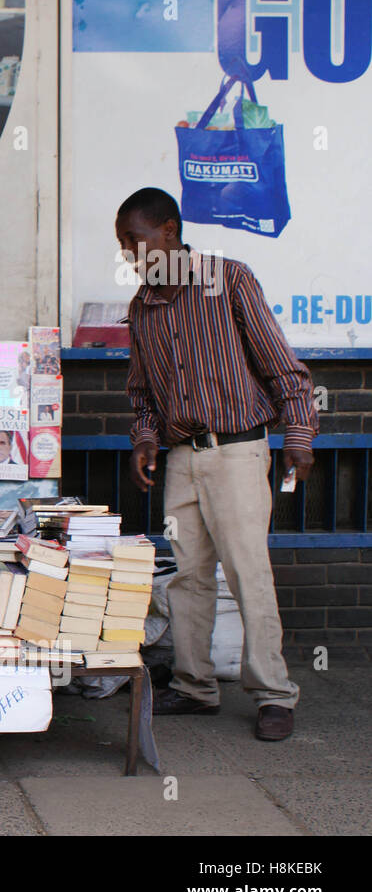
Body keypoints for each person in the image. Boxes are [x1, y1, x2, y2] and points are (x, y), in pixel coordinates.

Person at [118, 187, 314, 742]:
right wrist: (145, 439)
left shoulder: (229, 279)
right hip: (183, 459)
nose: (130, 252)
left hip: (237, 450)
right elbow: (141, 394)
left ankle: (274, 694)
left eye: (136, 239)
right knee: (188, 578)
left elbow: (281, 365)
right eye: (123, 244)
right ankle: (195, 686)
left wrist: (300, 431)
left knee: (248, 573)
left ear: (170, 232)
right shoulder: (141, 307)